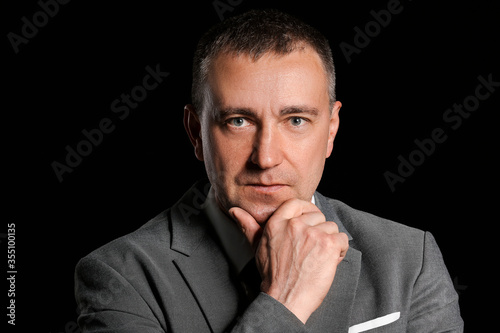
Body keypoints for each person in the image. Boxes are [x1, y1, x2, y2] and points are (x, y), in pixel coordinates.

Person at [74, 9, 463, 332]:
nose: (266, 158)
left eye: (295, 120)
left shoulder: (411, 261)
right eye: (238, 121)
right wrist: (285, 301)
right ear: (195, 132)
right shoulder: (122, 278)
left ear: (330, 131)